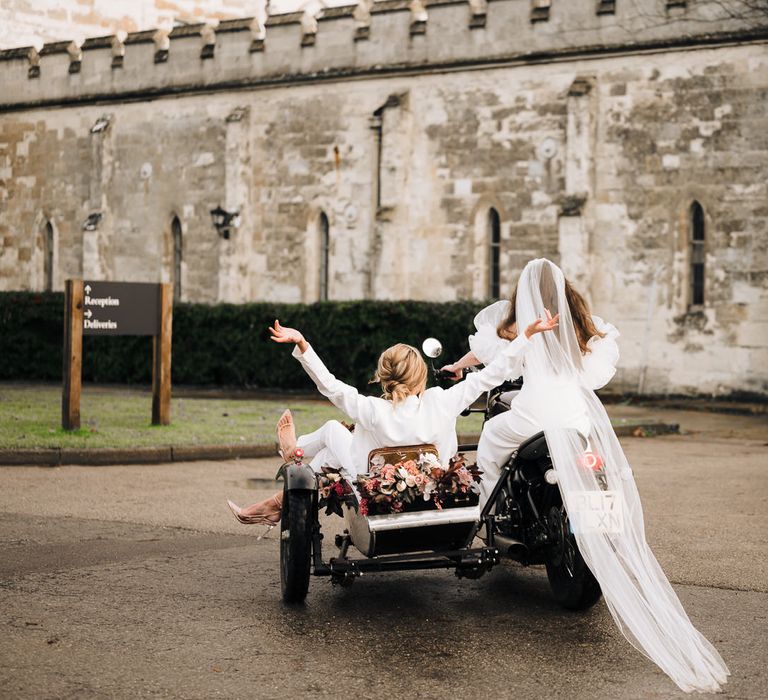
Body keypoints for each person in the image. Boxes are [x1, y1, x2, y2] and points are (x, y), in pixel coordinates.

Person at [448, 258, 729, 694]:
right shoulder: (579, 319)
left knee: (487, 447)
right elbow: (595, 369)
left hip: (531, 415)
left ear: (524, 288)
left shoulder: (521, 323)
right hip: (578, 420)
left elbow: (496, 361)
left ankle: (485, 513)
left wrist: (457, 370)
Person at [227, 315, 558, 527]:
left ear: (383, 377)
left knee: (332, 431)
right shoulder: (442, 401)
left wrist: (303, 344)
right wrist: (525, 336)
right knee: (336, 440)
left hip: (374, 484)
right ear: (421, 376)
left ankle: (293, 458)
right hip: (433, 483)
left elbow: (329, 384)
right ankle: (280, 491)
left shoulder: (373, 409)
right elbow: (491, 375)